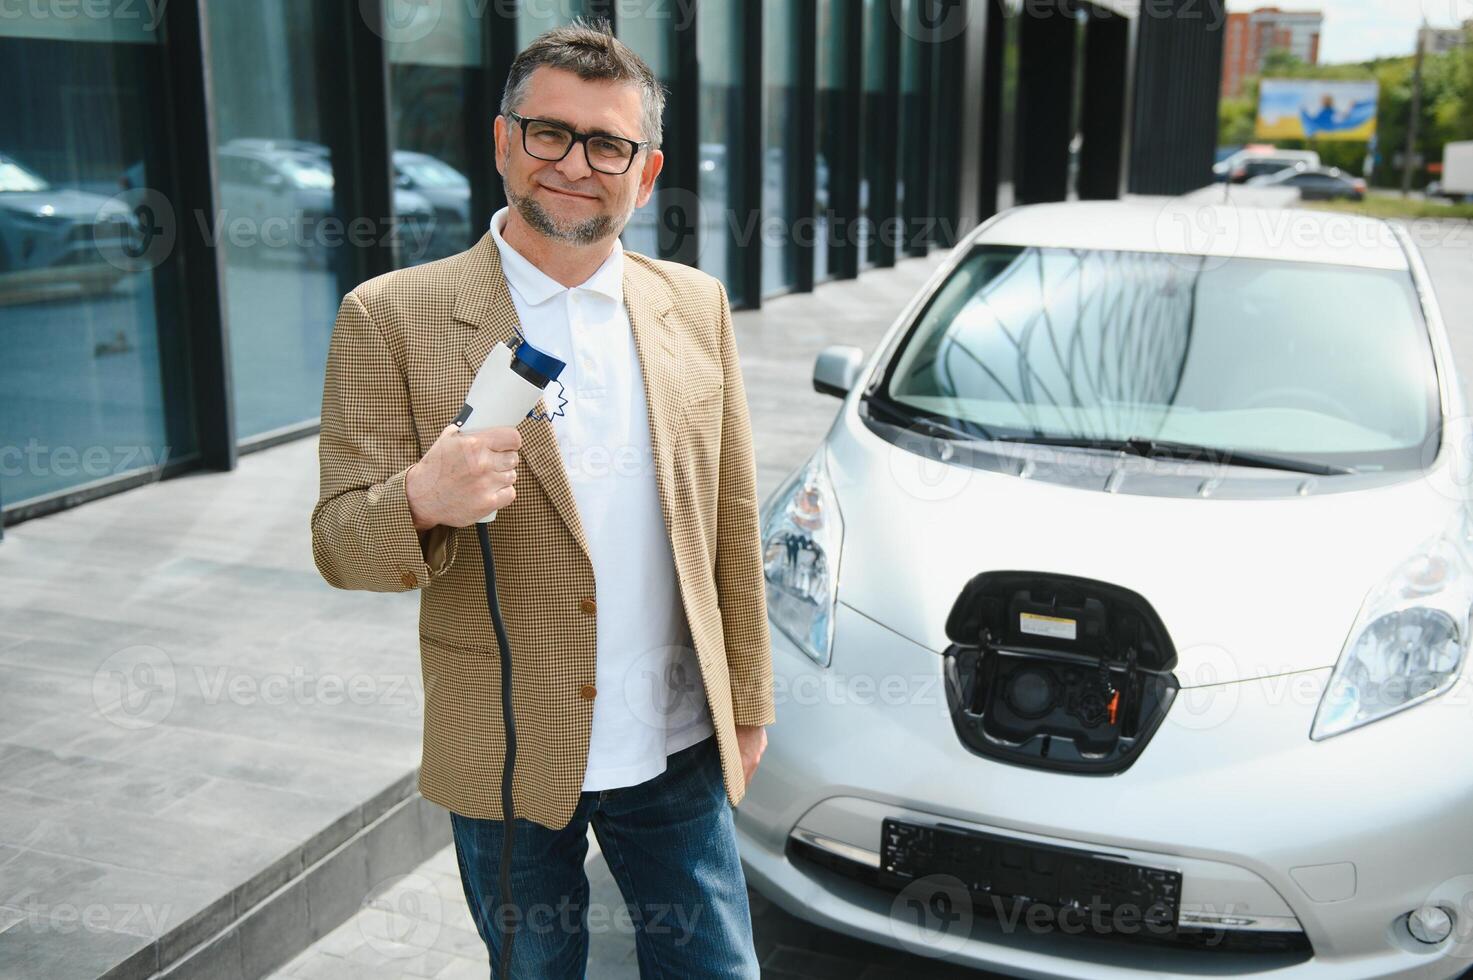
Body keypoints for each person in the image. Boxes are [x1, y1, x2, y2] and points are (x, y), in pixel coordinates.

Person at [309, 19, 773, 978]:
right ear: (502, 141)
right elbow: (338, 541)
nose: (574, 162)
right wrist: (421, 498)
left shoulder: (695, 304)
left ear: (645, 173)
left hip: (676, 739)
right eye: (549, 132)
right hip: (509, 749)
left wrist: (751, 703)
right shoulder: (390, 315)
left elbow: (729, 518)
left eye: (608, 143)